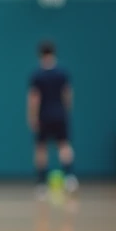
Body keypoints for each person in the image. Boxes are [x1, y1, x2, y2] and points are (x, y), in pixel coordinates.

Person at [28, 41, 77, 196]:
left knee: (41, 148)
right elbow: (68, 94)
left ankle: (42, 183)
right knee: (63, 144)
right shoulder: (62, 73)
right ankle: (69, 177)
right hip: (60, 114)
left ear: (40, 54)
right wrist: (66, 111)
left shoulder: (37, 75)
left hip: (44, 115)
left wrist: (32, 116)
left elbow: (34, 98)